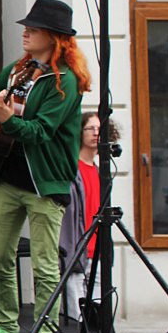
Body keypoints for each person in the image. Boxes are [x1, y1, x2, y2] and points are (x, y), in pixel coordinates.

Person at [0, 0, 91, 333]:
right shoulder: (19, 69)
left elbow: (40, 132)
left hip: (45, 184)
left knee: (44, 266)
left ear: (54, 38)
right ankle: (6, 327)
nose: (25, 33)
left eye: (33, 29)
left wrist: (6, 119)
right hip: (7, 178)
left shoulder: (66, 82)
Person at [59, 112, 120, 322]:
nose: (96, 133)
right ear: (79, 131)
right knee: (75, 319)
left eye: (100, 129)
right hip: (77, 252)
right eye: (90, 128)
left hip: (98, 252)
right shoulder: (71, 169)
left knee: (97, 320)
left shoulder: (101, 172)